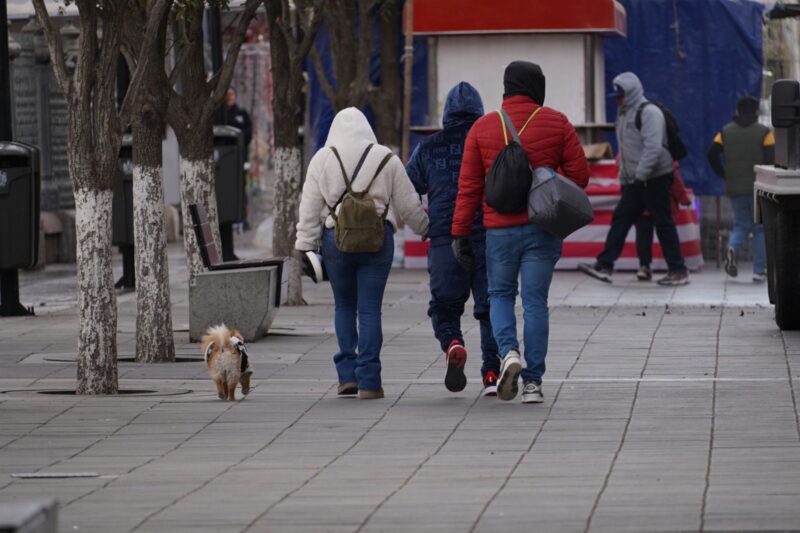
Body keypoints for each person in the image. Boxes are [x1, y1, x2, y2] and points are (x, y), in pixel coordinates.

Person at [451, 61, 589, 403]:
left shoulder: (482, 128)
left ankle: (509, 352)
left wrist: (459, 234)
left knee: (499, 295)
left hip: (499, 231)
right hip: (543, 227)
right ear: (536, 86)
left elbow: (468, 188)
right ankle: (533, 383)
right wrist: (545, 180)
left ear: (506, 87)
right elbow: (580, 176)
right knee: (535, 302)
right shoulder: (557, 122)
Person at [295, 107, 429, 400]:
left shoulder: (322, 159)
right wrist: (427, 229)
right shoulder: (386, 158)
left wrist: (304, 246)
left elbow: (308, 209)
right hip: (378, 242)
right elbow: (409, 205)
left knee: (344, 306)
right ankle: (370, 381)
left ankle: (347, 376)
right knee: (370, 310)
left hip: (335, 242)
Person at [406, 82, 501, 397]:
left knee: (444, 306)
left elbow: (408, 189)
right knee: (490, 308)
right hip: (488, 235)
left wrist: (425, 225)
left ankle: (453, 343)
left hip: (446, 237)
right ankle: (491, 372)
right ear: (479, 111)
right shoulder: (490, 143)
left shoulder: (429, 147)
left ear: (446, 113)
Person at [579, 71, 690, 286]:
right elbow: (627, 149)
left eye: (621, 96)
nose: (618, 100)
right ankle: (605, 264)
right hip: (636, 180)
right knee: (621, 218)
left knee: (663, 222)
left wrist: (640, 175)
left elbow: (653, 148)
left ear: (631, 93)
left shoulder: (649, 113)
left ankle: (678, 269)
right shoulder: (624, 114)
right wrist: (626, 177)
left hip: (655, 177)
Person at [707, 96, 774, 282]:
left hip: (735, 185)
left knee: (741, 224)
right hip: (759, 186)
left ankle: (732, 247)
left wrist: (723, 173)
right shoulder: (764, 133)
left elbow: (711, 153)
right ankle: (759, 270)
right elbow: (771, 158)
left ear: (737, 111)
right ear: (756, 113)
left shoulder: (725, 132)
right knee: (759, 228)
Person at [633, 163, 692, 281]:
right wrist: (685, 200)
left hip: (643, 206)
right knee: (667, 237)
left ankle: (645, 266)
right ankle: (675, 268)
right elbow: (676, 184)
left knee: (643, 238)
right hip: (663, 205)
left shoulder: (634, 159)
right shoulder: (666, 162)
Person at [218, 87, 253, 260]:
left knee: (240, 193)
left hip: (238, 161)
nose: (230, 98)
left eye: (232, 94)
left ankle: (243, 218)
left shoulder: (241, 113)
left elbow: (248, 134)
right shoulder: (219, 116)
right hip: (223, 166)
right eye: (228, 95)